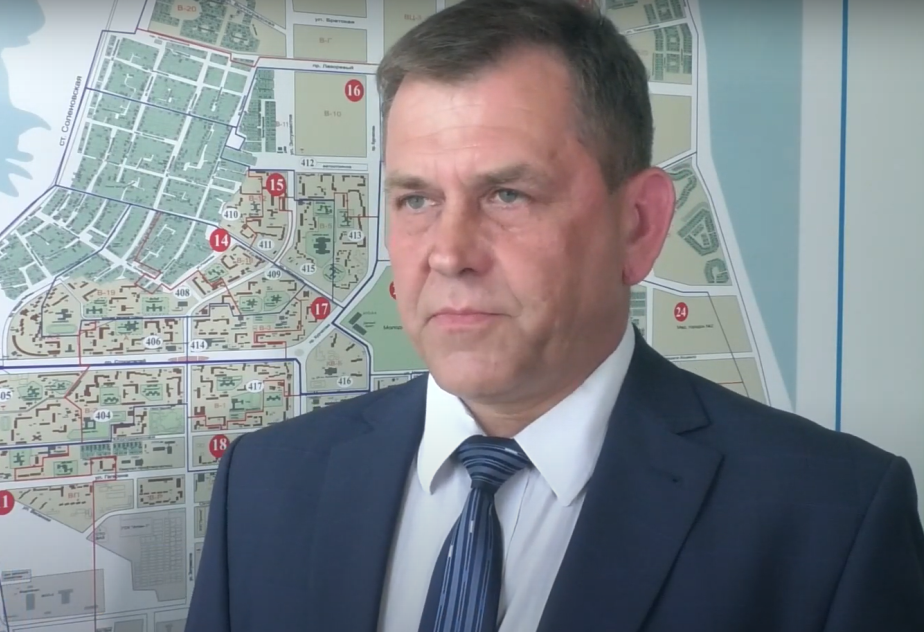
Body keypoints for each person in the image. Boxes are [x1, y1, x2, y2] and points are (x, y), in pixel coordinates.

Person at [186, 0, 924, 630]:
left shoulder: (832, 521)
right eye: (416, 199)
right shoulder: (266, 484)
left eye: (507, 195)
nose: (449, 253)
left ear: (637, 225)